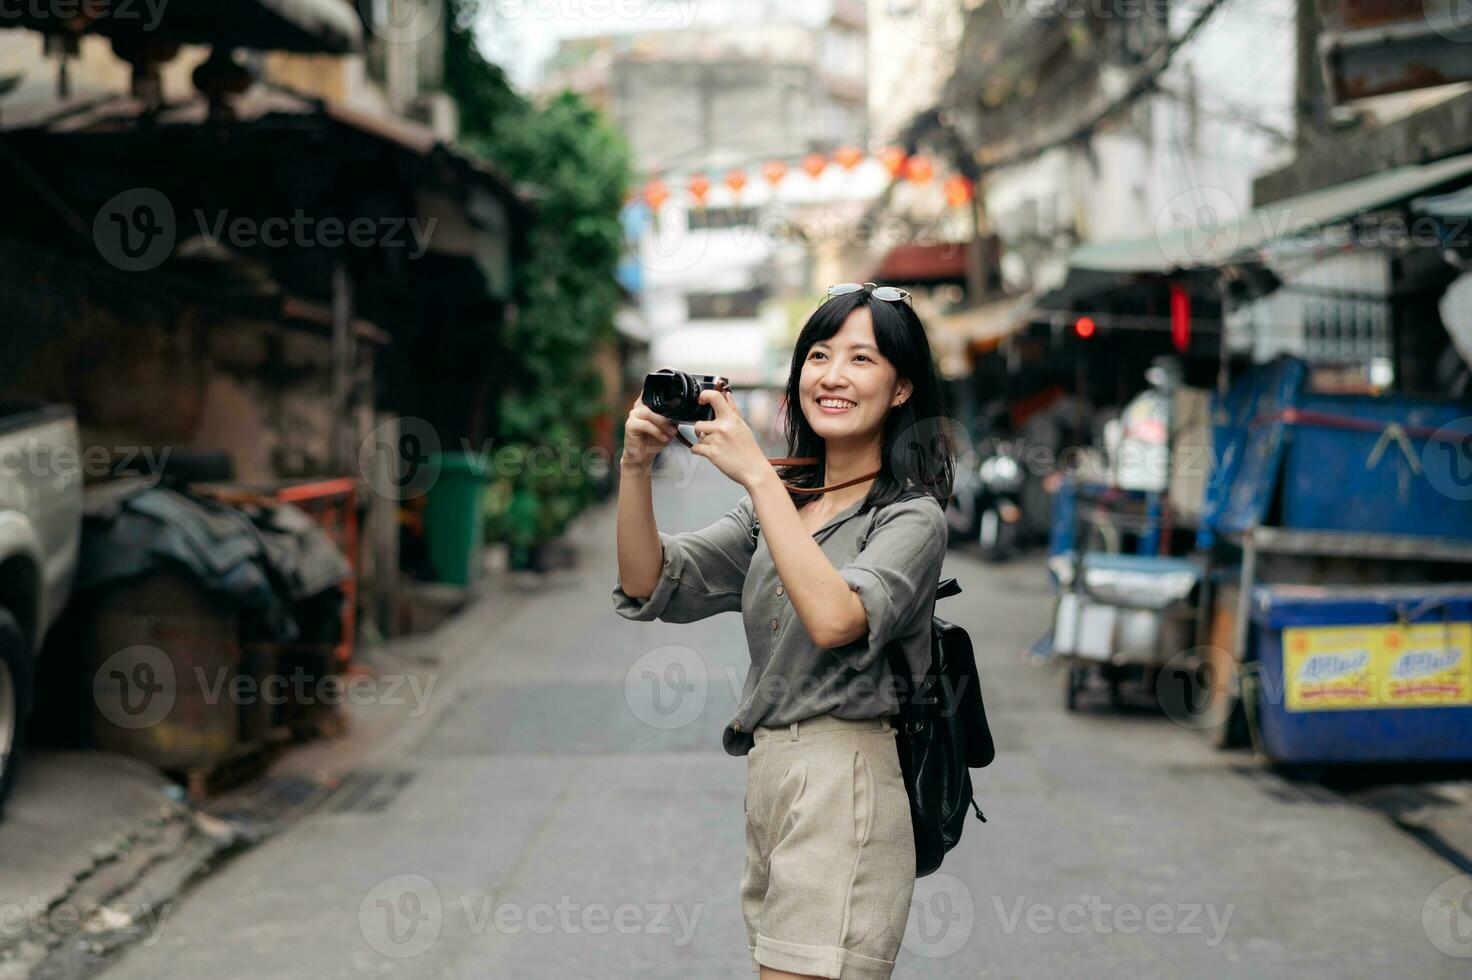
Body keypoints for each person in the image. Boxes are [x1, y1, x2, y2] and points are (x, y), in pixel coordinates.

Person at [611, 283, 955, 980]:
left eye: (862, 359)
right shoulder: (787, 499)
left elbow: (837, 619)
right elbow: (652, 581)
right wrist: (634, 466)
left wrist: (758, 480)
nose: (832, 375)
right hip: (772, 780)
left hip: (845, 778)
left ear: (899, 389)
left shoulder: (910, 518)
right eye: (820, 354)